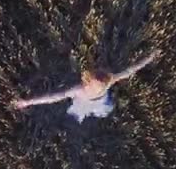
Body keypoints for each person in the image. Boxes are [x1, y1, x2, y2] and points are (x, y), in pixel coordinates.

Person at [12, 51, 160, 123]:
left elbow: (131, 69)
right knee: (83, 116)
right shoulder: (100, 83)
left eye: (100, 84)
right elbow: (52, 97)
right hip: (95, 102)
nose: (98, 85)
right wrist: (27, 102)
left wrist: (150, 57)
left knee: (82, 115)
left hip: (95, 102)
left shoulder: (86, 87)